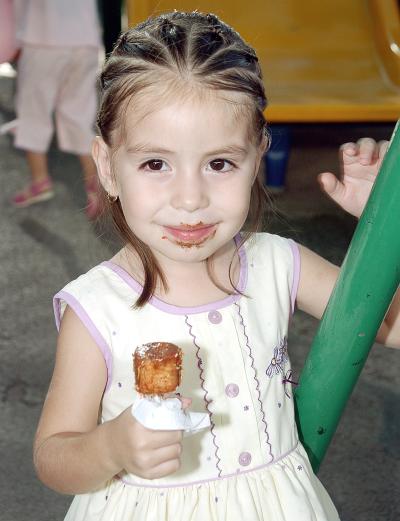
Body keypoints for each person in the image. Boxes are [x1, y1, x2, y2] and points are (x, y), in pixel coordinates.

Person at [33, 12, 400, 521]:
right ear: (108, 166)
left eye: (220, 163)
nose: (190, 199)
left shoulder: (278, 263)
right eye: (155, 164)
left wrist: (386, 226)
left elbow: (391, 325)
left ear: (258, 156)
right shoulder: (97, 308)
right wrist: (109, 449)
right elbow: (53, 456)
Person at [11, 0, 103, 218]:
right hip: (85, 39)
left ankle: (39, 180)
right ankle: (95, 185)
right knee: (77, 114)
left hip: (42, 36)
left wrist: (13, 38)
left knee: (33, 111)